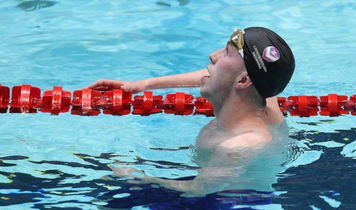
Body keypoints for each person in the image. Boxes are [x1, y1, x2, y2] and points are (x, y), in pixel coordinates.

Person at [89, 27, 296, 198]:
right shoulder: (266, 96)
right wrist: (145, 84)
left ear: (243, 81)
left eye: (226, 52)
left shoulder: (238, 146)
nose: (212, 56)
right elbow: (221, 75)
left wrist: (138, 177)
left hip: (227, 201)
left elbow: (198, 190)